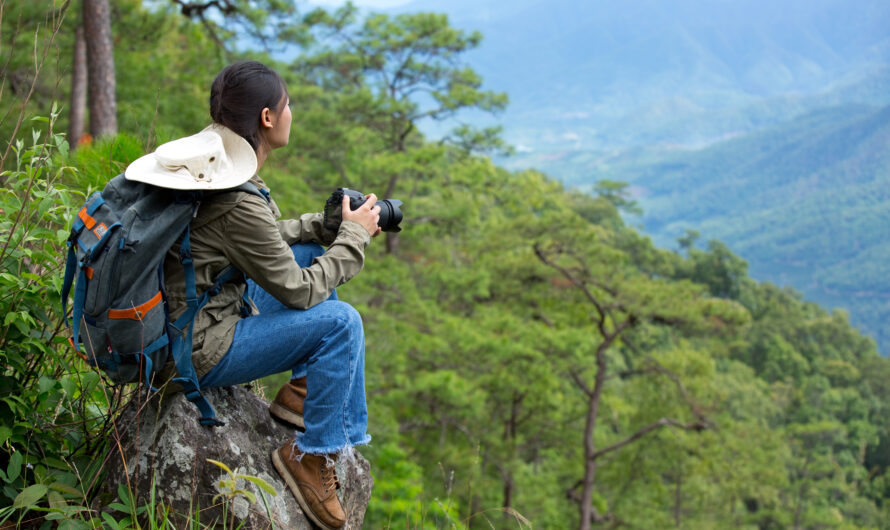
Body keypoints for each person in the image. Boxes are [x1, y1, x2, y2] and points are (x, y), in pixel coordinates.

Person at [124, 60, 379, 530]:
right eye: (288, 105)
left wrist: (323, 228)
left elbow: (257, 240)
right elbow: (301, 292)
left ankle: (303, 395)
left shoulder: (210, 169)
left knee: (307, 252)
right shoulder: (237, 196)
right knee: (342, 324)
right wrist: (354, 238)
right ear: (267, 117)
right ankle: (313, 455)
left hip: (184, 314)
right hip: (195, 348)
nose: (290, 112)